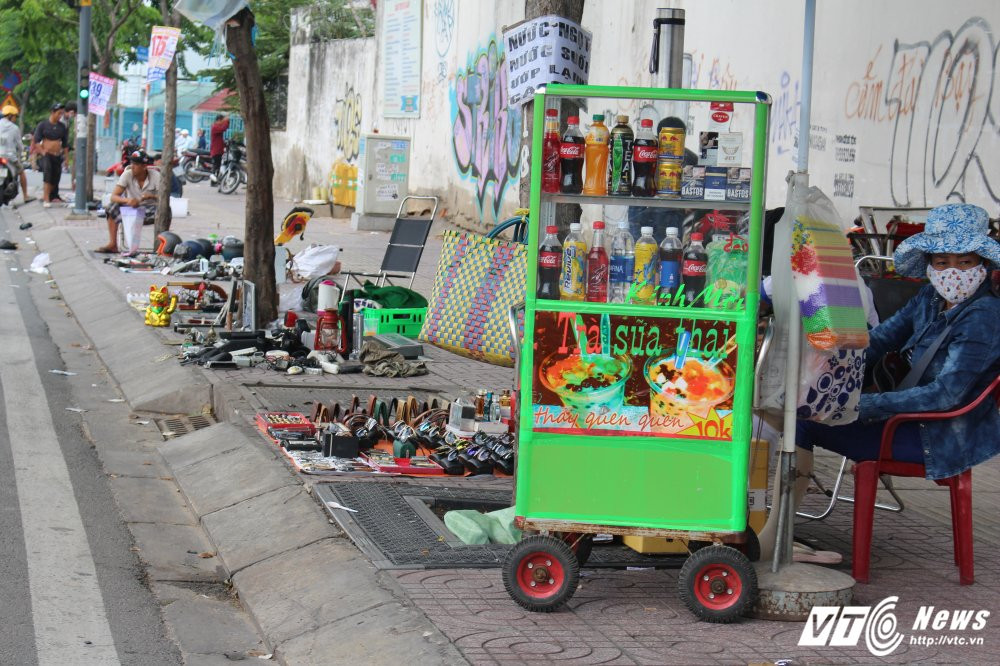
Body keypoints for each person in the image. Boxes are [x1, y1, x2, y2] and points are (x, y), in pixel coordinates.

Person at [757, 203, 1000, 560]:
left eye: (964, 262)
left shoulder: (984, 316)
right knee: (792, 411)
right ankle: (776, 535)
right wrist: (824, 374)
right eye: (943, 262)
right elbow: (876, 342)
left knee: (802, 426)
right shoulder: (930, 298)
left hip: (936, 435)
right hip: (904, 417)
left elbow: (945, 394)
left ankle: (773, 543)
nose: (953, 272)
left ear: (983, 264)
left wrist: (860, 406)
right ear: (931, 265)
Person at [97, 149, 161, 254]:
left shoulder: (155, 176)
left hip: (151, 209)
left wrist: (151, 196)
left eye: (136, 164)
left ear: (144, 166)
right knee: (111, 207)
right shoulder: (127, 174)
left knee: (166, 210)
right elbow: (114, 196)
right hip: (132, 209)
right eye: (132, 163)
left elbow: (164, 197)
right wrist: (128, 200)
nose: (132, 167)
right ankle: (113, 244)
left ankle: (160, 246)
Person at [33, 103, 68, 207]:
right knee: (47, 176)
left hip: (57, 155)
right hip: (47, 155)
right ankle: (46, 198)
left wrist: (66, 159)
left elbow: (65, 145)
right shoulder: (43, 125)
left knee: (56, 177)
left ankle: (52, 195)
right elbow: (36, 141)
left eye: (61, 114)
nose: (60, 116)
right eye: (58, 113)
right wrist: (43, 151)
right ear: (52, 113)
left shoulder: (62, 127)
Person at [0, 105, 34, 204]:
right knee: (21, 172)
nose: (15, 118)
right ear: (10, 116)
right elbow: (20, 145)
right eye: (15, 116)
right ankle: (26, 196)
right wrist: (21, 151)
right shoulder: (15, 128)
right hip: (10, 157)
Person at [209, 114, 229, 181]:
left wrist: (226, 121)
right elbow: (223, 128)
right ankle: (213, 178)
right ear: (219, 120)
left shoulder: (217, 126)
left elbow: (225, 128)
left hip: (219, 149)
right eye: (222, 121)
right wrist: (226, 121)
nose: (223, 123)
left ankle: (215, 181)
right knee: (216, 165)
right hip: (216, 150)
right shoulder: (215, 127)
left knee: (218, 165)